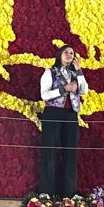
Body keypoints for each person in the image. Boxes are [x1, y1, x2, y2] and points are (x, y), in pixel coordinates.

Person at [38, 45, 87, 197]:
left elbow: (84, 90)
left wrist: (79, 71)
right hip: (53, 112)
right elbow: (44, 95)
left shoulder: (75, 74)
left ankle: (70, 192)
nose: (69, 55)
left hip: (71, 114)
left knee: (70, 153)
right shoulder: (50, 72)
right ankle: (47, 192)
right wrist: (64, 89)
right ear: (59, 55)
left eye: (72, 53)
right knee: (50, 152)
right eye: (66, 52)